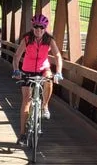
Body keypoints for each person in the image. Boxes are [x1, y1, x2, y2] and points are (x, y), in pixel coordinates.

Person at [11, 13, 63, 146]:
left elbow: (57, 56)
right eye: (36, 27)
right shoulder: (27, 39)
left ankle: (45, 106)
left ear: (45, 28)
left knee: (49, 80)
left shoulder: (49, 40)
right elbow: (17, 56)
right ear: (32, 27)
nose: (38, 30)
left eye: (41, 27)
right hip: (27, 70)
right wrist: (16, 70)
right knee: (26, 102)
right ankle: (22, 134)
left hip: (42, 68)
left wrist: (58, 72)